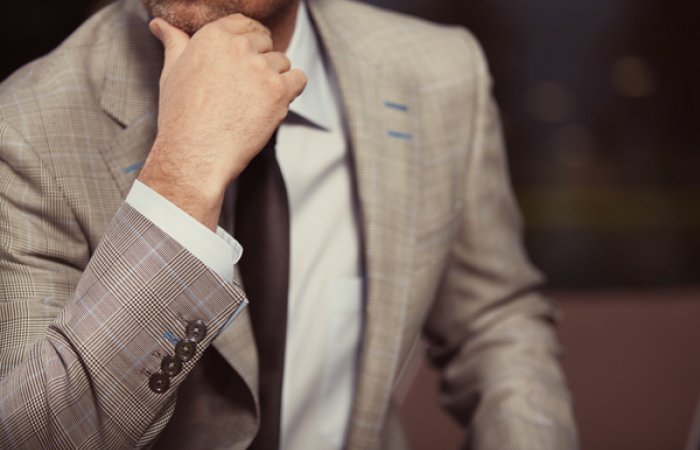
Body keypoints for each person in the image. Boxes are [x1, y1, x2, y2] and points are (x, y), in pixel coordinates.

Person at [0, 0, 578, 448]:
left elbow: (493, 320)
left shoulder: (441, 76)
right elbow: (37, 436)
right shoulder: (25, 129)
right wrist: (183, 176)